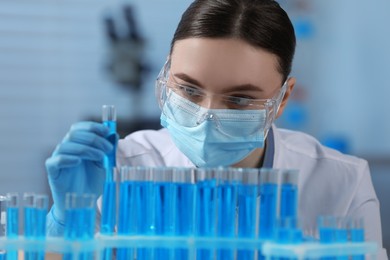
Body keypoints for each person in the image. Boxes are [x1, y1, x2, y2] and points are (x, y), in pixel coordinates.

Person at [45, 0, 387, 258]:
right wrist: (66, 217)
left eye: (239, 100)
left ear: (282, 100)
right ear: (166, 75)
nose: (207, 116)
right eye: (189, 90)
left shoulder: (341, 184)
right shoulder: (122, 168)